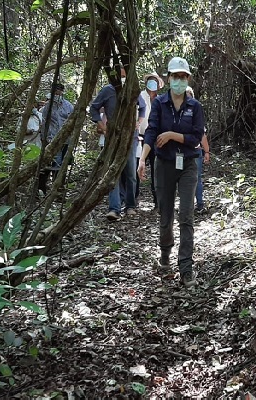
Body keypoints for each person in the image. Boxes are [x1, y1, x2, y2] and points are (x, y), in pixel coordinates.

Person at [137, 57, 205, 288]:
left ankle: (186, 267)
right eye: (175, 76)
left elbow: (197, 137)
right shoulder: (159, 104)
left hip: (187, 164)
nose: (179, 80)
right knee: (165, 213)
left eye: (183, 77)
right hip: (164, 164)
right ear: (168, 79)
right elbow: (152, 130)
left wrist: (173, 136)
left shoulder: (195, 106)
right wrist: (143, 159)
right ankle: (165, 252)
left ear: (187, 79)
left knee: (186, 215)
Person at [90, 66, 146, 221]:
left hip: (131, 138)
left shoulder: (133, 90)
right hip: (112, 138)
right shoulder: (107, 91)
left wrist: (138, 123)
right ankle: (114, 209)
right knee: (112, 173)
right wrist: (103, 127)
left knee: (130, 174)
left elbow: (143, 108)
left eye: (124, 75)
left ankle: (130, 206)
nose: (121, 78)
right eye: (119, 75)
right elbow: (93, 109)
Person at [38, 83, 74, 194]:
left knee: (61, 167)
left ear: (62, 92)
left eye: (59, 91)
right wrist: (44, 139)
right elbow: (44, 124)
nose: (57, 93)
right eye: (55, 91)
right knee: (46, 166)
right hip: (50, 141)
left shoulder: (69, 106)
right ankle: (41, 190)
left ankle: (58, 191)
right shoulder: (47, 107)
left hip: (65, 141)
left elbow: (73, 122)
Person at [138, 72, 164, 208]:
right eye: (150, 80)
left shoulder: (160, 100)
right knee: (137, 166)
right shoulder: (140, 96)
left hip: (156, 139)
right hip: (140, 137)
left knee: (156, 169)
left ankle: (157, 200)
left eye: (155, 80)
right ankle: (133, 200)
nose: (152, 82)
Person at [185, 86, 210, 213]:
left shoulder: (196, 114)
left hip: (195, 152)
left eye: (189, 95)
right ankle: (187, 205)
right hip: (181, 153)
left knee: (196, 178)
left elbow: (202, 135)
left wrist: (206, 151)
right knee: (184, 179)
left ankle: (199, 204)